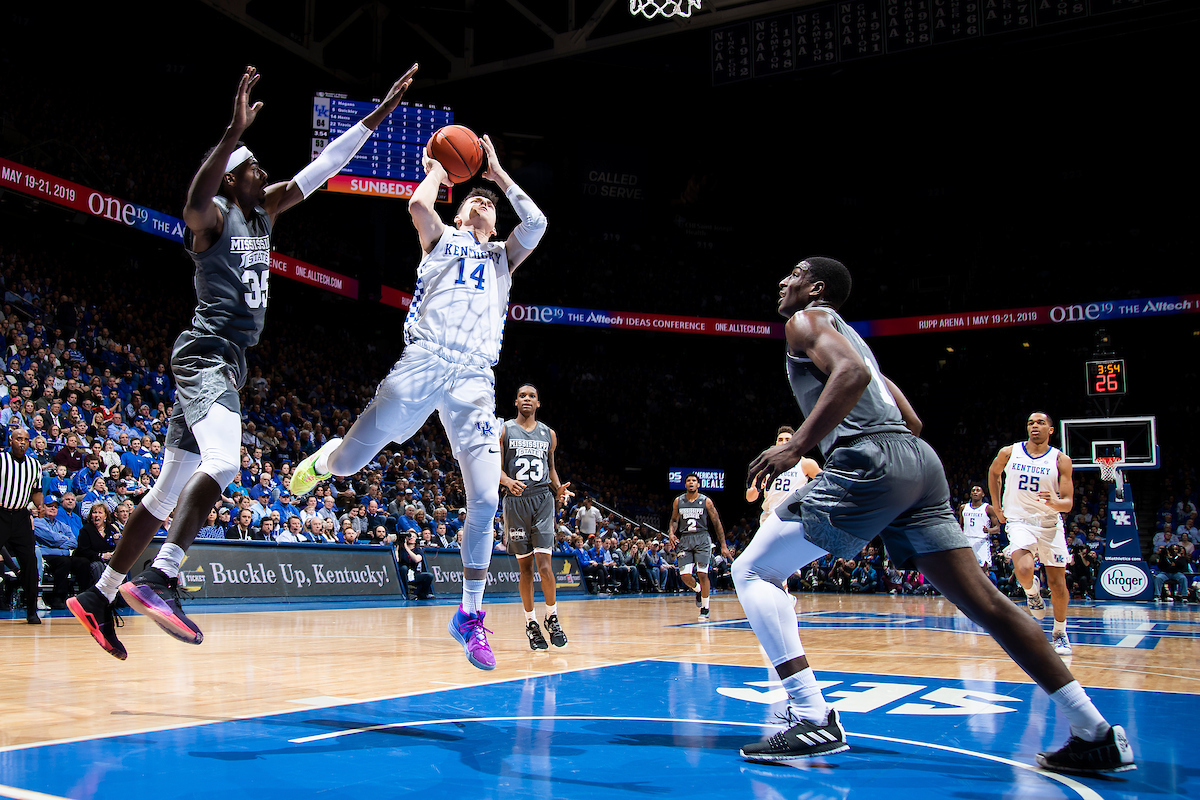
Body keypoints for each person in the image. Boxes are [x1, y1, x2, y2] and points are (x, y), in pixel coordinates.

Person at [67, 63, 418, 656]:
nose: (265, 172)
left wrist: (380, 114)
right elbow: (193, 195)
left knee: (164, 491)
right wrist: (232, 134)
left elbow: (325, 166)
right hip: (206, 355)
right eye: (253, 167)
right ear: (233, 179)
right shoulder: (213, 218)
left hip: (229, 359)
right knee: (225, 463)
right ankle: (161, 575)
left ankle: (99, 595)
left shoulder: (264, 212)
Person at [734, 257, 1134, 774]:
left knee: (752, 570)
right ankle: (1095, 732)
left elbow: (849, 375)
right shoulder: (862, 345)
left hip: (872, 458)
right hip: (919, 463)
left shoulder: (807, 321)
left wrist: (802, 446)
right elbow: (913, 421)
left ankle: (811, 716)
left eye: (794, 274)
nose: (782, 281)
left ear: (817, 288)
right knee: (988, 604)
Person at [288, 130, 547, 674]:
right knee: (350, 464)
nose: (483, 204)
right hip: (423, 361)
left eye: (490, 205)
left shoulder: (503, 258)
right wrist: (439, 169)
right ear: (458, 216)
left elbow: (539, 224)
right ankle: (326, 458)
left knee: (484, 499)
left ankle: (469, 616)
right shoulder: (441, 240)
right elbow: (416, 203)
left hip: (474, 379)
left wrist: (496, 173)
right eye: (475, 199)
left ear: (497, 224)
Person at [988, 412, 1075, 655]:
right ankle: (1032, 591)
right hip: (1019, 520)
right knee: (1024, 570)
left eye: (1040, 423)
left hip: (1049, 523)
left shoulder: (1061, 460)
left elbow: (1067, 504)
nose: (1034, 426)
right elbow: (994, 474)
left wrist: (1055, 502)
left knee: (1058, 585)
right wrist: (996, 505)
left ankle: (1060, 632)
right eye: (1030, 423)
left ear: (1051, 430)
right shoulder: (1009, 452)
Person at [499, 384, 572, 650]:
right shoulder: (504, 429)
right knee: (526, 569)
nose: (527, 399)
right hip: (516, 503)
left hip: (542, 500)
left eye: (532, 396)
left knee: (545, 566)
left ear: (538, 403)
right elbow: (493, 468)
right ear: (515, 401)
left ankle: (552, 617)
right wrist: (507, 481)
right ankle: (530, 623)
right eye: (522, 396)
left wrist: (559, 488)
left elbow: (551, 470)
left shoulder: (548, 434)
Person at [668, 473, 728, 621]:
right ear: (685, 485)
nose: (691, 483)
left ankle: (705, 608)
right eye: (688, 481)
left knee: (703, 574)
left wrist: (724, 545)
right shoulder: (678, 501)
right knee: (685, 576)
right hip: (685, 538)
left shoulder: (706, 501)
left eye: (694, 481)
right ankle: (698, 589)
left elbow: (716, 522)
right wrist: (670, 532)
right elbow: (674, 520)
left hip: (702, 538)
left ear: (698, 484)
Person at [1, 429, 46, 624]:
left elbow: (36, 491)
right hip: (0, 513)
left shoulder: (34, 465)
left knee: (30, 562)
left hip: (20, 516)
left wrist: (40, 505)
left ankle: (31, 611)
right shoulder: (1, 460)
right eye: (19, 439)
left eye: (26, 440)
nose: (23, 442)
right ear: (11, 440)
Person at [746, 426, 820, 526]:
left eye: (787, 439)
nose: (783, 442)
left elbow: (826, 482)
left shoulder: (805, 464)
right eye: (780, 440)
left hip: (793, 518)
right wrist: (756, 489)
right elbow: (750, 498)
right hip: (770, 517)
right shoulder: (766, 465)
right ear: (776, 443)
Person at [959, 485, 1000, 573]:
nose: (975, 492)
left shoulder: (988, 508)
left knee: (981, 572)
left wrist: (989, 530)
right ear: (970, 494)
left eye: (978, 490)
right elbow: (960, 526)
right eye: (973, 490)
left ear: (983, 494)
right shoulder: (963, 508)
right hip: (967, 540)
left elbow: (997, 528)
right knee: (966, 570)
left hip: (981, 541)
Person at [398, 532, 435, 600]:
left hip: (414, 573)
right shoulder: (401, 549)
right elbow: (396, 559)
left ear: (416, 539)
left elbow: (416, 559)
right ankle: (407, 593)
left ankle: (423, 594)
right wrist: (397, 546)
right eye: (409, 536)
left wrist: (407, 548)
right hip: (403, 573)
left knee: (429, 575)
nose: (411, 538)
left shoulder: (418, 550)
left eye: (413, 537)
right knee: (404, 568)